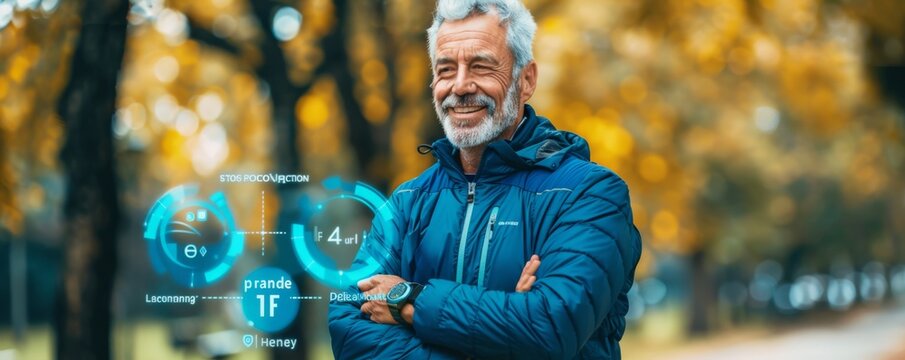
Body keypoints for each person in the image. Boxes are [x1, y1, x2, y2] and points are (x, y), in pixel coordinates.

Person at [328, 0, 642, 358]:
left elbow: (550, 327)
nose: (460, 86)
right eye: (446, 69)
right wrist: (506, 330)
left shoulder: (589, 194)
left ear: (526, 80)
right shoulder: (407, 202)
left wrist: (411, 302)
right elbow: (348, 326)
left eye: (480, 66)